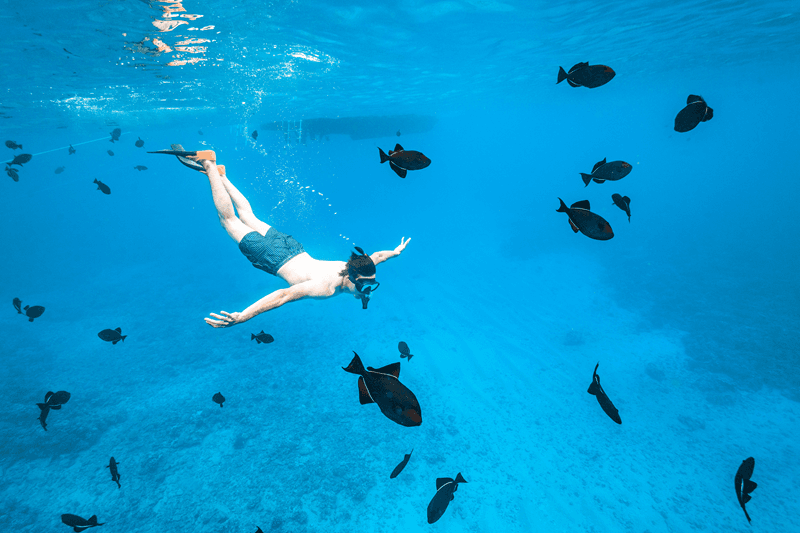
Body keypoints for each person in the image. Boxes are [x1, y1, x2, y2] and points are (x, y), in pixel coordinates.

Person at [181, 151, 410, 327]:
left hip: (293, 247)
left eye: (370, 286)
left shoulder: (360, 269)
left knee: (248, 216)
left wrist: (396, 252)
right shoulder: (325, 288)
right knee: (229, 221)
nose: (366, 290)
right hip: (272, 257)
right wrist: (243, 316)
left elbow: (378, 256)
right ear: (352, 277)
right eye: (364, 286)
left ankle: (222, 176)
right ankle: (209, 165)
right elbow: (283, 296)